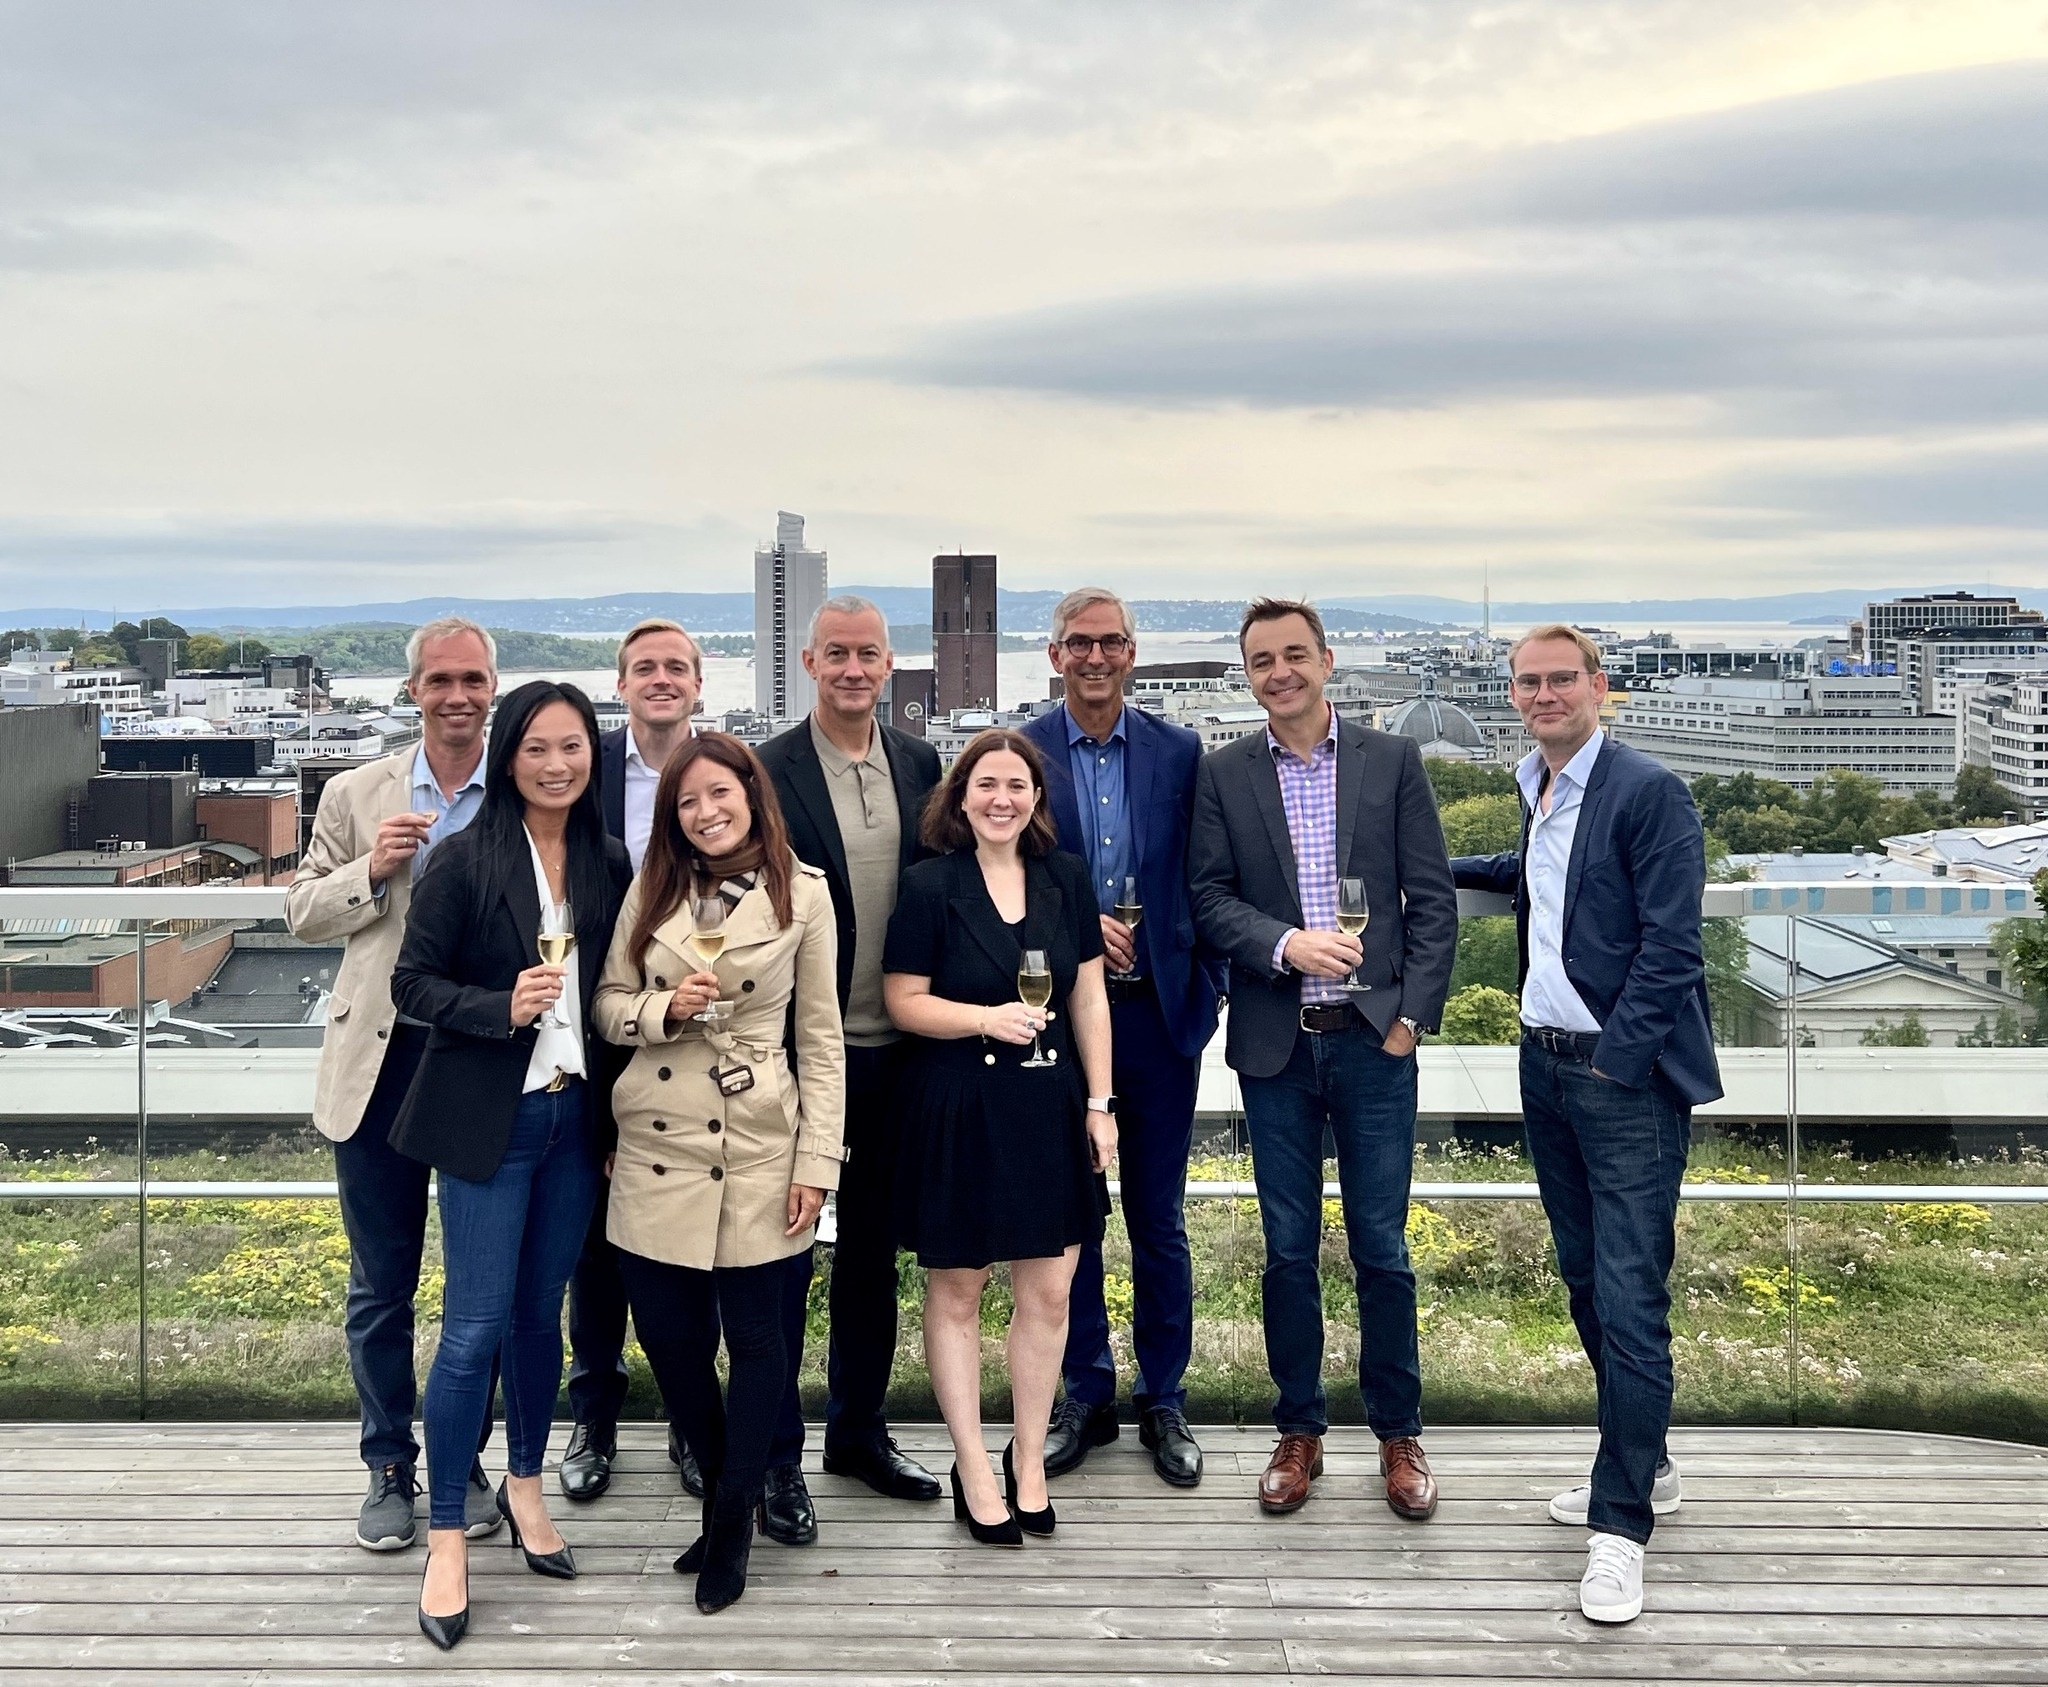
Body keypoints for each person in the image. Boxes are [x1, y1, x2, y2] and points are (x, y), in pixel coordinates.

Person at [1451, 623, 1722, 1626]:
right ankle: (1645, 1464)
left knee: (1628, 1294)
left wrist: (1614, 1063)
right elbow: (1533, 876)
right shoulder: (1540, 787)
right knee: (1582, 1279)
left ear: (1598, 686)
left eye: (1561, 678)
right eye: (1528, 681)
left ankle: (1620, 1528)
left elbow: (1672, 948)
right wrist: (1419, 867)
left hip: (1620, 1079)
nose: (1543, 694)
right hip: (1544, 1066)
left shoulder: (1649, 791)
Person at [1189, 597, 1457, 1521]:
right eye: (1263, 661)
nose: (1281, 672)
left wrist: (1410, 1020)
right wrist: (1284, 944)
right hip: (1277, 1049)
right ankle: (1298, 1429)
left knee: (1382, 1247)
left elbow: (1433, 900)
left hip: (1375, 1043)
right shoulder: (1223, 773)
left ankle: (1399, 1432)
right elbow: (1207, 900)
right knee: (1287, 1249)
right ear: (1248, 674)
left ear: (1327, 660)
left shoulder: (1392, 760)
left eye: (1295, 654)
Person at [388, 680, 633, 1650]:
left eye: (572, 746)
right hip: (493, 1122)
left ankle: (526, 1486)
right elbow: (412, 985)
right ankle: (448, 1532)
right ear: (508, 756)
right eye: (536, 747)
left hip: (576, 1120)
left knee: (541, 1318)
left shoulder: (607, 860)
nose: (556, 764)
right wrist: (500, 1007)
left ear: (592, 756)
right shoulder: (461, 858)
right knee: (471, 1330)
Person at [593, 732, 845, 1613]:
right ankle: (720, 1492)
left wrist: (818, 1160)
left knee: (760, 1340)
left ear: (751, 793)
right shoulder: (652, 885)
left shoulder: (804, 892)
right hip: (655, 1143)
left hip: (759, 1138)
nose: (705, 813)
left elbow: (822, 1040)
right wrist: (664, 1008)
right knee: (669, 1340)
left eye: (719, 793)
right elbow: (607, 1004)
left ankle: (733, 1515)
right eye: (687, 801)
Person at [284, 615, 506, 1554]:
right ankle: (387, 1462)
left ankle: (463, 1455)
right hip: (379, 1063)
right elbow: (300, 910)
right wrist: (371, 869)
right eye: (439, 680)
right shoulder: (354, 791)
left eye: (473, 679)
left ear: (493, 688)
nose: (457, 696)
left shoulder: (523, 783)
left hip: (477, 1060)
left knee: (479, 1284)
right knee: (382, 1282)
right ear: (412, 689)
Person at [883, 729, 1117, 1545]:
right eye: (986, 783)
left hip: (1051, 1105)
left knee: (1048, 1294)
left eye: (1017, 784)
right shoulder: (928, 884)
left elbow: (1090, 997)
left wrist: (1101, 1102)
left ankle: (1028, 1461)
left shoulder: (1066, 877)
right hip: (960, 1105)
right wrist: (985, 1017)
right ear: (960, 795)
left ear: (1036, 798)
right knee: (958, 1291)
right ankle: (973, 1466)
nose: (1001, 798)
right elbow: (903, 999)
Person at [1021, 587, 1220, 1487]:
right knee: (1074, 1216)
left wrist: (1209, 988)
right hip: (1063, 1022)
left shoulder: (1180, 751)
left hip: (1158, 1018)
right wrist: (1076, 929)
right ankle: (1087, 1390)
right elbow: (1001, 876)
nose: (1095, 656)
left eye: (1110, 642)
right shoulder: (1021, 751)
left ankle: (1164, 1396)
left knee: (1158, 1218)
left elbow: (1209, 875)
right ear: (1055, 654)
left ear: (1133, 652)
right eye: (1079, 643)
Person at [756, 596, 944, 1512]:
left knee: (872, 1255)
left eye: (868, 653)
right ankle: (774, 1452)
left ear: (889, 662)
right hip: (801, 1053)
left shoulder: (920, 762)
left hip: (899, 1051)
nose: (854, 669)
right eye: (836, 653)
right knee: (782, 1257)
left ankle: (857, 1431)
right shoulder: (767, 770)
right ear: (809, 663)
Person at [560, 617, 715, 1505]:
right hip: (602, 1025)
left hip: (699, 1034)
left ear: (698, 683)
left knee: (693, 1240)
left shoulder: (722, 773)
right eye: (644, 668)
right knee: (597, 1245)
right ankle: (596, 1413)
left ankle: (694, 1422)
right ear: (620, 684)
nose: (661, 679)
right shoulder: (586, 771)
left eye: (676, 667)